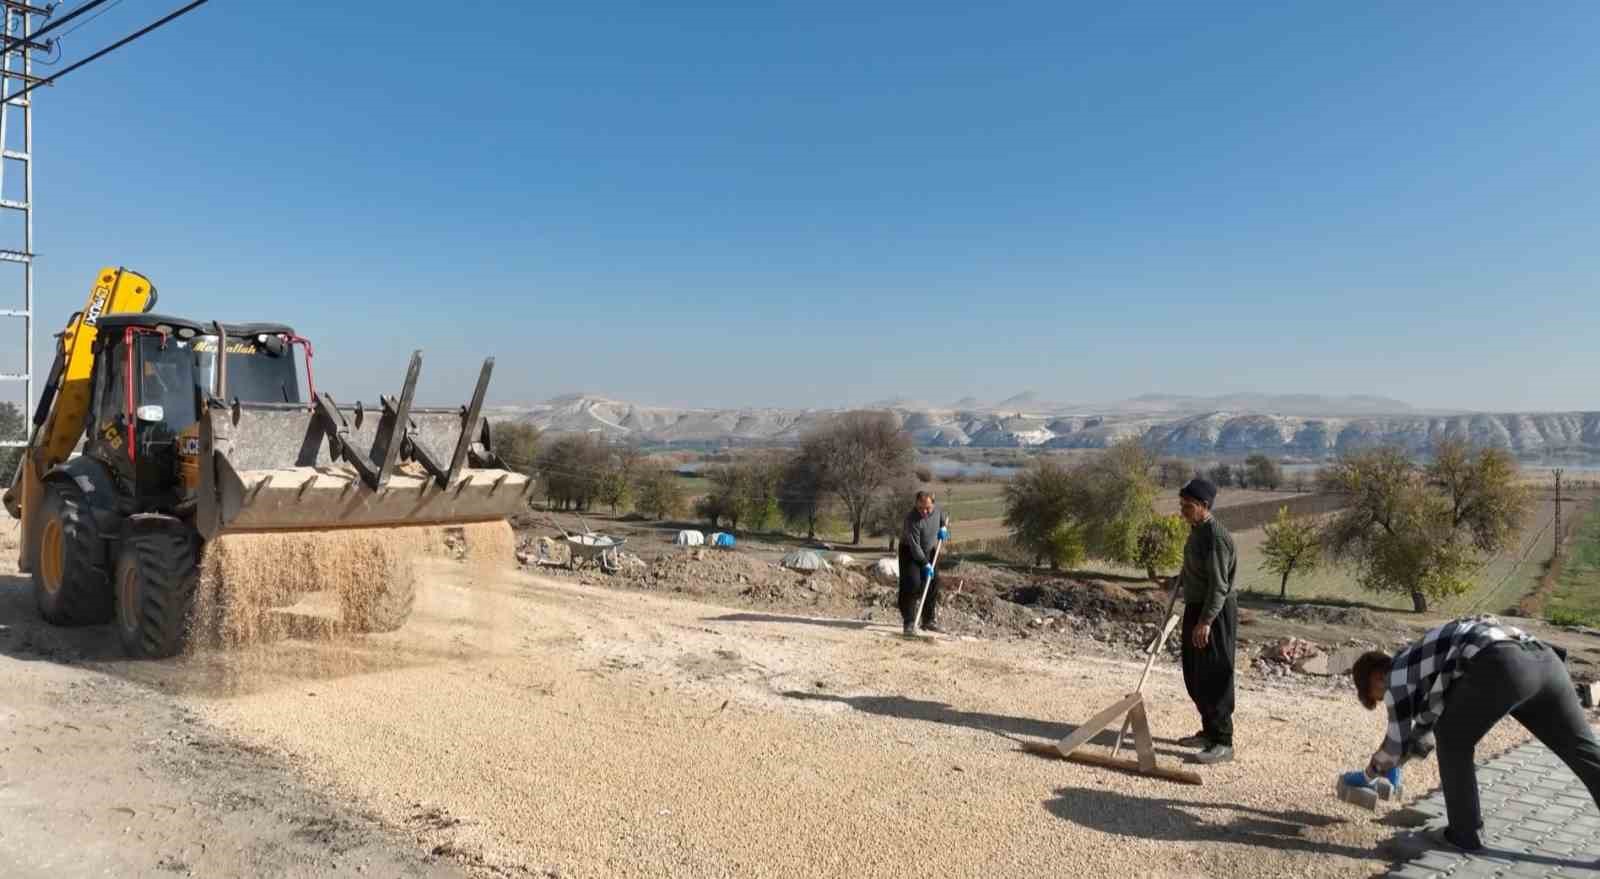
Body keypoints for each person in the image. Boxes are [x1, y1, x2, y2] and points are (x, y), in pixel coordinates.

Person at [1344, 615, 1600, 852]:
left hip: (1505, 664)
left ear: (1376, 678)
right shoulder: (1423, 663)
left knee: (1453, 740)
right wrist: (1396, 765)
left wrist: (1366, 776)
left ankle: (1464, 835)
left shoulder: (1396, 676)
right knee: (1583, 750)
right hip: (1546, 660)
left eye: (1376, 697)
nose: (1383, 701)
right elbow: (1424, 731)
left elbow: (1396, 743)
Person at [1173, 477, 1237, 765]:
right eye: (1181, 505)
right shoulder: (1196, 530)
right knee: (1196, 673)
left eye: (1188, 506)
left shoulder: (1216, 537)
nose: (1182, 511)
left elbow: (1219, 585)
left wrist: (1206, 621)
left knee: (1215, 673)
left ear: (1204, 506)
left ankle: (1223, 741)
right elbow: (1196, 569)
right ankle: (1208, 732)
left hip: (1215, 611)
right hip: (1197, 606)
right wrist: (1177, 580)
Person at [897, 490, 948, 636]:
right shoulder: (911, 519)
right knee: (912, 583)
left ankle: (928, 621)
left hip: (930, 549)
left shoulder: (936, 510)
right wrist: (925, 563)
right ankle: (909, 622)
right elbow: (915, 547)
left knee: (933, 583)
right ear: (916, 504)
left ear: (933, 504)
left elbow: (941, 515)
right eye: (920, 508)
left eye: (927, 508)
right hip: (910, 551)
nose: (924, 511)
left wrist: (943, 526)